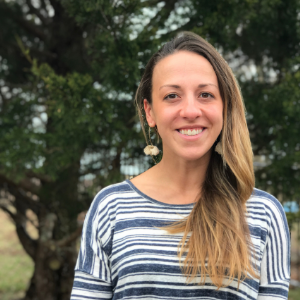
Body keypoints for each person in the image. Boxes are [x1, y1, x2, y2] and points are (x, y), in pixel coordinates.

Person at [71, 32, 290, 300]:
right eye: (172, 96)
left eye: (206, 94)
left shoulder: (264, 213)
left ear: (225, 106)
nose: (189, 111)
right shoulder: (110, 207)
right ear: (149, 112)